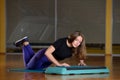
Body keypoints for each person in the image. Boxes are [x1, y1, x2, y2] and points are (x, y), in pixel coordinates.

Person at [14, 31, 87, 70]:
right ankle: (25, 44)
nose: (78, 43)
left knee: (31, 64)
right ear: (72, 37)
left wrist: (81, 62)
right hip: (43, 56)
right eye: (76, 40)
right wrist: (59, 64)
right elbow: (47, 53)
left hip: (49, 61)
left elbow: (80, 53)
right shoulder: (61, 42)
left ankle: (26, 43)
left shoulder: (76, 47)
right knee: (29, 67)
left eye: (80, 42)